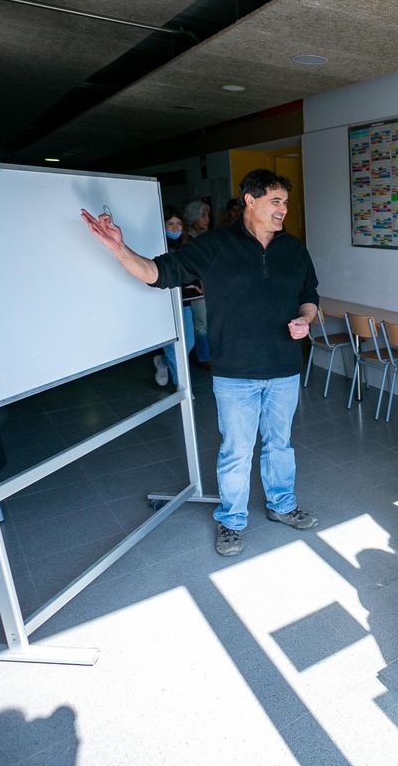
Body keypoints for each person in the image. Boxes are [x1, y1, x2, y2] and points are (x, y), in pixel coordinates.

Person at [81, 169, 320, 556]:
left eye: (285, 203)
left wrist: (306, 319)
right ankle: (231, 521)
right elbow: (157, 273)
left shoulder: (293, 249)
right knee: (237, 450)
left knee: (280, 444)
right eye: (276, 201)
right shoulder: (215, 246)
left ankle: (282, 506)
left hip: (284, 367)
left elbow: (310, 294)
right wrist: (118, 248)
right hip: (235, 372)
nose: (283, 210)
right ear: (250, 200)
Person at [151, 206, 204, 390]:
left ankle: (162, 361)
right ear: (162, 225)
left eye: (178, 223)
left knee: (188, 342)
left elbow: (193, 269)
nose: (175, 228)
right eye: (170, 224)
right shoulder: (155, 244)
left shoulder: (187, 244)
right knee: (174, 344)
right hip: (163, 304)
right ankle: (182, 387)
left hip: (184, 301)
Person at [183, 200, 213, 369]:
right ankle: (204, 357)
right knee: (201, 324)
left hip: (209, 285)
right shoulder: (188, 238)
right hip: (196, 288)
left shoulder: (208, 235)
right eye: (203, 215)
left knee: (208, 322)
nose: (207, 219)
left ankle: (207, 354)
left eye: (207, 215)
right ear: (193, 217)